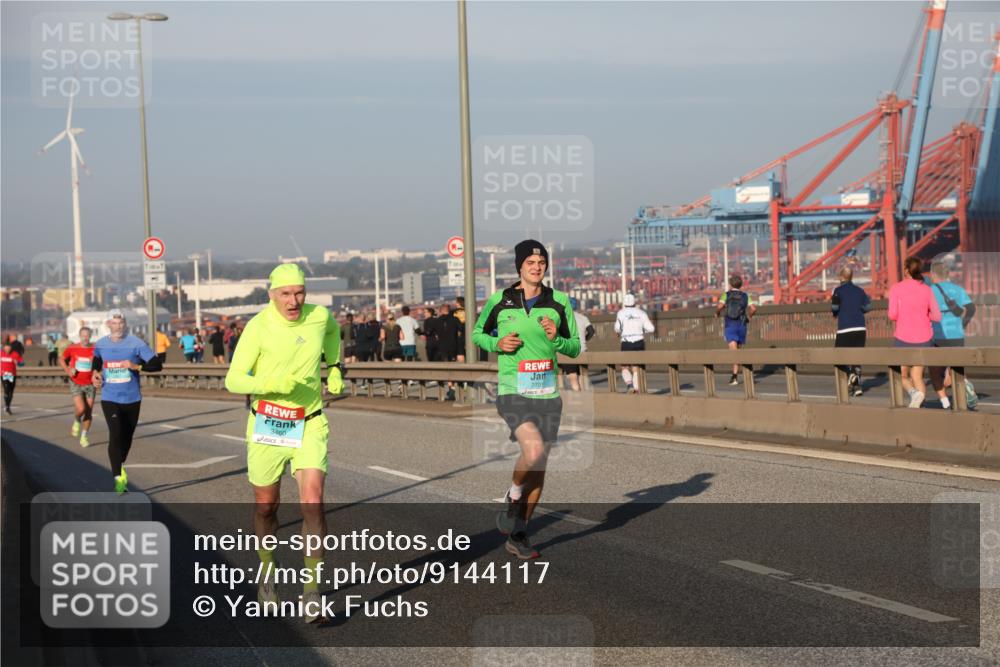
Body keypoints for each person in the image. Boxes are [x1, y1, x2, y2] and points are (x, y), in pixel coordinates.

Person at [224, 264, 343, 623]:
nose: (294, 301)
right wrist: (274, 383)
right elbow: (233, 380)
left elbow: (333, 332)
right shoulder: (258, 327)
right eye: (286, 294)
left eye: (299, 292)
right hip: (268, 423)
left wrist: (335, 366)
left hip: (309, 422)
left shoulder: (319, 317)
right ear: (272, 295)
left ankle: (311, 592)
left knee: (313, 502)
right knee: (266, 507)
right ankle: (267, 575)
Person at [472, 240, 580, 560]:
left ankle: (519, 534)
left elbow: (575, 347)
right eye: (530, 262)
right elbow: (478, 334)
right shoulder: (500, 300)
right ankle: (513, 495)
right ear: (519, 266)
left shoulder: (558, 302)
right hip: (513, 390)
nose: (537, 267)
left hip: (547, 393)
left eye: (541, 262)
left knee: (539, 466)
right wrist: (497, 343)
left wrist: (556, 338)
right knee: (532, 451)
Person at [91, 309, 163, 493]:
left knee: (127, 438)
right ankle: (118, 479)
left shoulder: (136, 343)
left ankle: (119, 463)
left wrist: (136, 366)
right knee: (115, 434)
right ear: (108, 324)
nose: (118, 326)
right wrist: (95, 374)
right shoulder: (101, 344)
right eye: (114, 323)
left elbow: (157, 365)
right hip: (110, 397)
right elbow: (96, 361)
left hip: (132, 398)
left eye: (121, 323)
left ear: (125, 324)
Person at [888, 257, 942, 409]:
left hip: (903, 337)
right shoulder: (927, 289)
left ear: (906, 270)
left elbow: (892, 315)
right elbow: (937, 316)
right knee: (917, 376)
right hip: (924, 338)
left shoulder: (896, 288)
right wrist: (924, 315)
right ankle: (919, 406)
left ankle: (913, 393)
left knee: (902, 374)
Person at [927, 261, 976, 409]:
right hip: (957, 335)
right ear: (947, 274)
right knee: (957, 368)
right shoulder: (958, 289)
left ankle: (945, 401)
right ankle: (962, 393)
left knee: (934, 370)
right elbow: (971, 308)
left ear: (933, 275)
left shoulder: (929, 290)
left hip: (938, 335)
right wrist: (963, 323)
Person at [831, 266, 871, 397]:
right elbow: (868, 307)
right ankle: (857, 387)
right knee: (856, 358)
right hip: (860, 328)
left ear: (841, 277)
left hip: (845, 329)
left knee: (838, 358)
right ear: (851, 277)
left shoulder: (838, 291)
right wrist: (858, 310)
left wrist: (835, 313)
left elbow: (834, 307)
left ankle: (850, 375)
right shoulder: (860, 290)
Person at [715, 275, 757, 385]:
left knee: (734, 352)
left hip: (730, 325)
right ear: (740, 285)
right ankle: (738, 375)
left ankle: (735, 377)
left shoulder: (726, 295)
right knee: (737, 351)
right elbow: (753, 308)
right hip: (742, 325)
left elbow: (719, 306)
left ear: (730, 284)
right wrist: (749, 316)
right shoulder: (745, 296)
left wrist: (717, 313)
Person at [59, 326, 96, 447]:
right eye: (83, 336)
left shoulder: (95, 349)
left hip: (90, 383)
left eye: (87, 336)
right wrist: (68, 370)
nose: (85, 338)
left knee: (88, 411)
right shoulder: (73, 347)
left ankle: (84, 436)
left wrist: (97, 373)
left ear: (90, 336)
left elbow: (101, 363)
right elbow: (62, 359)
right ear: (80, 336)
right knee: (81, 409)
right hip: (76, 382)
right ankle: (76, 419)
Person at [614, 293, 654, 393]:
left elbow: (617, 328)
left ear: (624, 303)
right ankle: (637, 389)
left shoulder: (621, 313)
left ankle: (629, 384)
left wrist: (620, 332)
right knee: (636, 368)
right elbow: (651, 329)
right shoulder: (641, 313)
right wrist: (642, 331)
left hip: (626, 342)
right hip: (639, 342)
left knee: (624, 367)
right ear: (634, 302)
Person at [562, 297, 595, 392]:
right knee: (583, 376)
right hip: (583, 350)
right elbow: (591, 331)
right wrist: (584, 340)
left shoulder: (562, 319)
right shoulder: (583, 318)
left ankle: (578, 395)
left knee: (573, 377)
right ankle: (585, 394)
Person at [1, 339, 24, 414]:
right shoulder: (1, 353)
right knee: (6, 389)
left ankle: (8, 405)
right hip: (4, 374)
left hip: (12, 375)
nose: (7, 349)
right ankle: (7, 407)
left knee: (11, 392)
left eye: (9, 348)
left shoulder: (15, 354)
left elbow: (22, 363)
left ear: (11, 348)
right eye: (6, 348)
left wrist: (18, 363)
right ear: (4, 348)